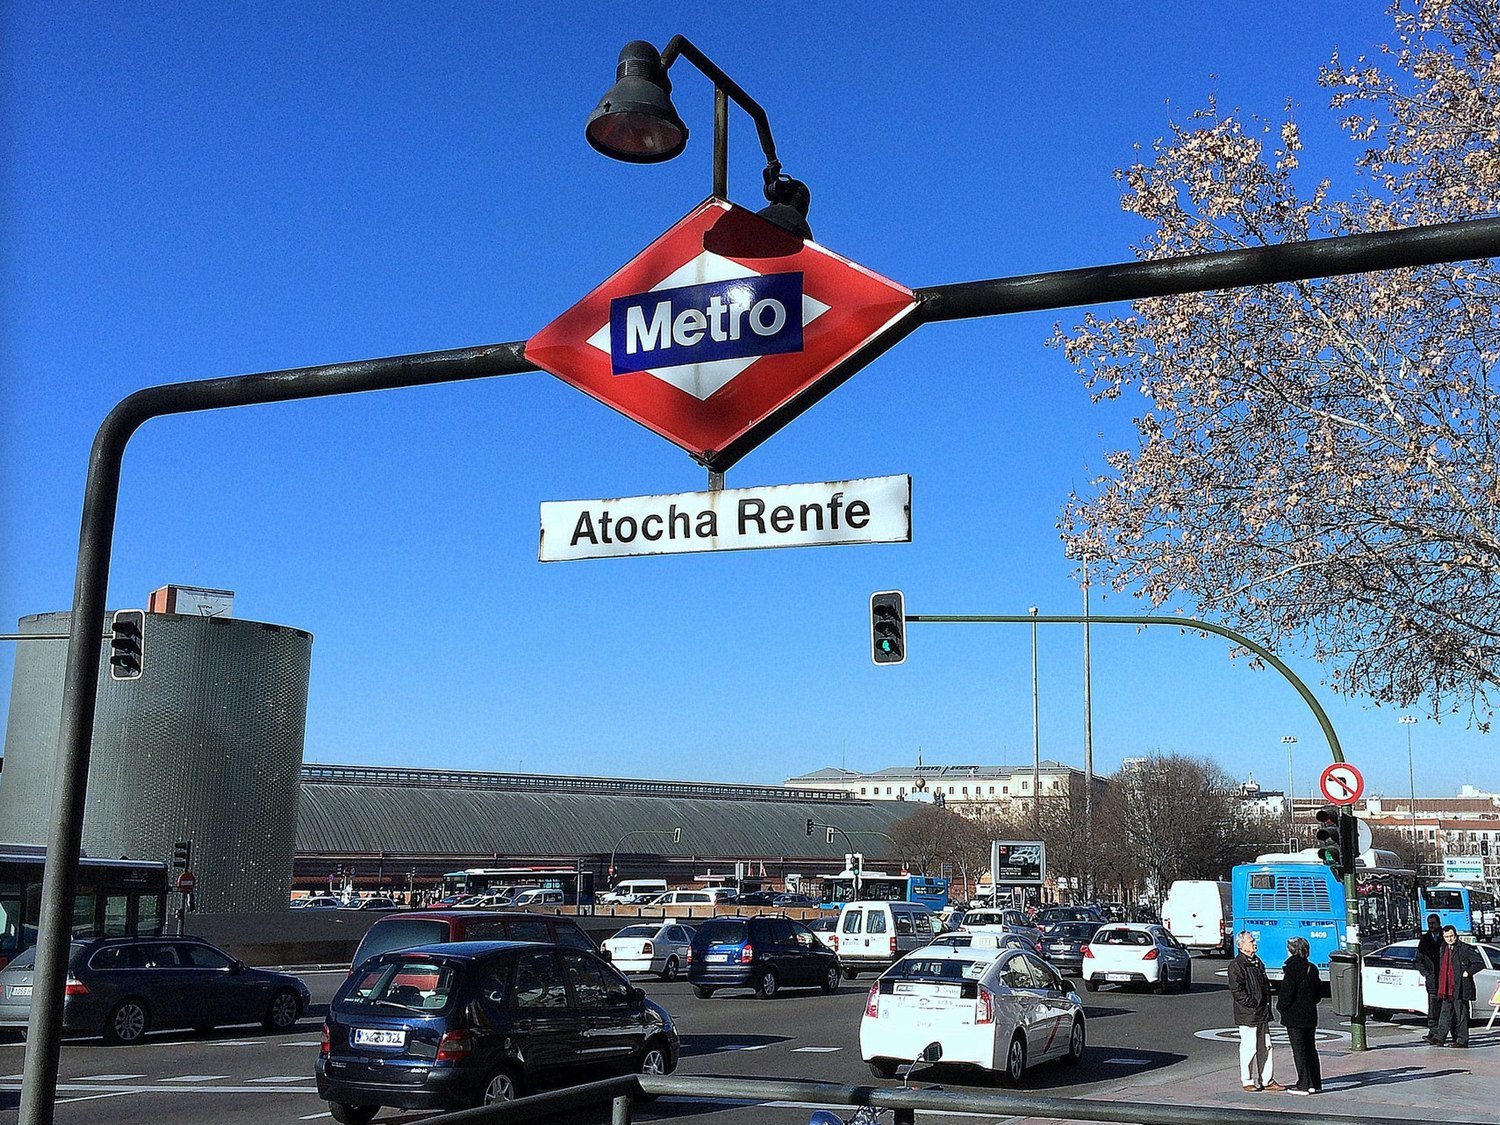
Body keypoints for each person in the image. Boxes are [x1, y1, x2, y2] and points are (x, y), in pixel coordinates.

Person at [1227, 931, 1283, 1091]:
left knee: (1266, 1046)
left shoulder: (1257, 962)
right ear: (1241, 945)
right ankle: (1247, 1080)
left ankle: (1267, 1080)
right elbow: (1237, 991)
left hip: (1262, 1012)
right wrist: (1253, 1003)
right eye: (1251, 941)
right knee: (1249, 1047)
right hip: (1248, 1013)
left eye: (1253, 941)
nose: (1254, 943)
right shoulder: (1237, 965)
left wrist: (1263, 1003)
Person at [1276, 936, 1322, 1095]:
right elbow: (1318, 994)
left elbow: (1286, 994)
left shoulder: (1291, 969)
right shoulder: (1312, 968)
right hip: (1310, 1014)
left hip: (1294, 1015)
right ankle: (1315, 1083)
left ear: (1291, 950)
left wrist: (1281, 1007)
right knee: (1310, 1048)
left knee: (1299, 1050)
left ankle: (1303, 1084)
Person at [1429, 924, 1482, 1048]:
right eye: (1446, 936)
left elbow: (1479, 963)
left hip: (1460, 987)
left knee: (1461, 1014)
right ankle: (1440, 1037)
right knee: (1445, 1013)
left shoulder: (1464, 948)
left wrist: (1467, 972)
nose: (1449, 939)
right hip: (1446, 987)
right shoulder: (1443, 948)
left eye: (1451, 936)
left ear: (1456, 935)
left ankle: (1462, 1040)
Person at [1416, 912, 1445, 1037]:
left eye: (1433, 923)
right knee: (1433, 1007)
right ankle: (1433, 1032)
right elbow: (1419, 959)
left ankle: (1446, 1032)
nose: (1431, 926)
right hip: (1432, 980)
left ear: (1439, 923)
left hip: (1445, 979)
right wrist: (1426, 973)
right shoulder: (1425, 939)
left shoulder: (1445, 937)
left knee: (1446, 1007)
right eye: (1429, 924)